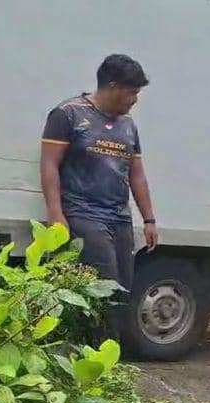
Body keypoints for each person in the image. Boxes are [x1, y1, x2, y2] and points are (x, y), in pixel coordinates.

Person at [40, 54, 157, 339]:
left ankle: (108, 353)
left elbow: (136, 174)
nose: (135, 100)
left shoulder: (127, 125)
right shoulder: (67, 114)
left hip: (119, 217)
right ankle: (98, 352)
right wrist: (55, 213)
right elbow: (49, 165)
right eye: (133, 92)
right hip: (83, 214)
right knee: (104, 286)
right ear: (114, 87)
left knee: (123, 290)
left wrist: (149, 219)